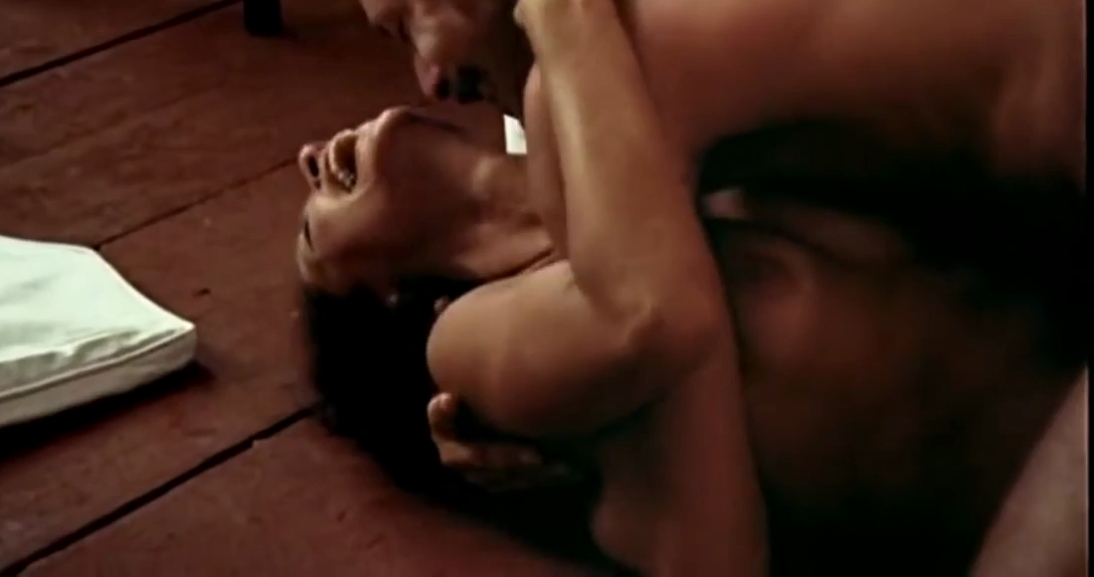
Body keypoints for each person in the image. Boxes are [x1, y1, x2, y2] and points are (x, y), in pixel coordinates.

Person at [293, 105, 1081, 574]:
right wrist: (567, 4)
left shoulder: (578, 117)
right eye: (307, 233)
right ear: (387, 296)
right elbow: (648, 316)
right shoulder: (539, 355)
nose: (305, 158)